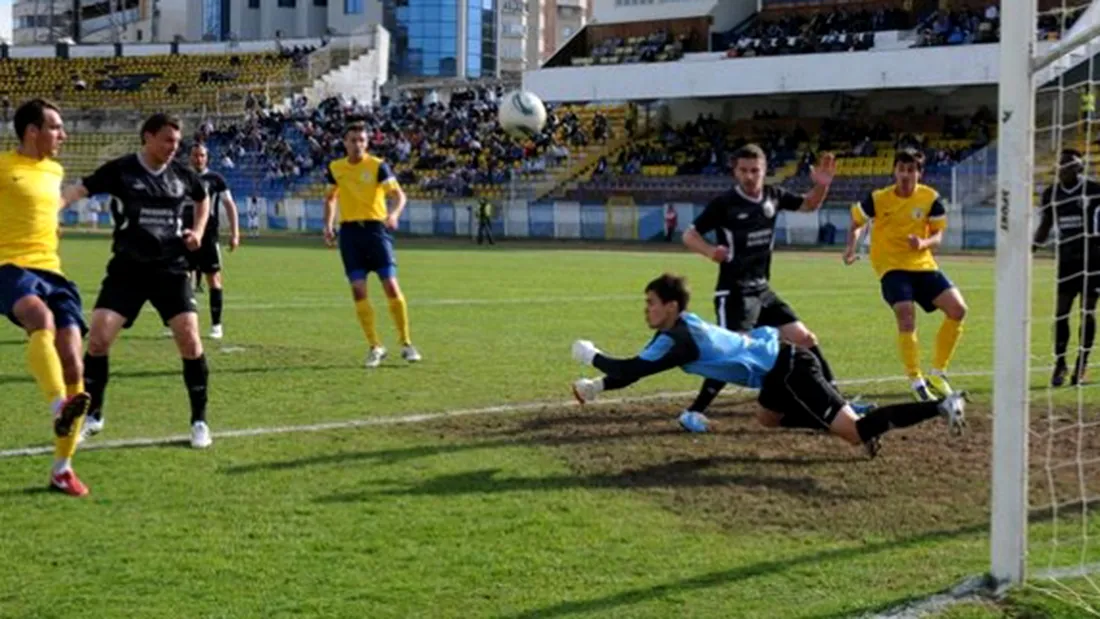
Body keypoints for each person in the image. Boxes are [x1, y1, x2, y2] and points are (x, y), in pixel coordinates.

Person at [570, 273, 967, 458]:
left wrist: (590, 354)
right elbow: (634, 368)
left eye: (651, 304)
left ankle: (940, 406)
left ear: (670, 308)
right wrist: (596, 388)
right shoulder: (676, 332)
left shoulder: (681, 341)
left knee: (856, 434)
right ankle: (840, 416)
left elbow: (631, 370)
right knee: (767, 417)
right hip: (777, 368)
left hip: (790, 366)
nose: (647, 310)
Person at [63, 113, 215, 449]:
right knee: (99, 337)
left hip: (171, 269)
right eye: (167, 140)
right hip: (128, 269)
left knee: (190, 340)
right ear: (147, 137)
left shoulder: (182, 174)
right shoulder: (121, 170)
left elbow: (202, 198)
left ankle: (199, 421)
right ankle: (94, 415)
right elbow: (82, 188)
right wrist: (54, 207)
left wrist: (199, 232)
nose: (173, 148)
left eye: (177, 142)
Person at [678, 143, 839, 432]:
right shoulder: (724, 204)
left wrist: (822, 187)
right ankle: (693, 412)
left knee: (804, 338)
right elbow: (689, 235)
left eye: (755, 171)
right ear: (735, 172)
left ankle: (838, 403)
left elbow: (809, 204)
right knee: (732, 353)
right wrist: (709, 251)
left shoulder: (773, 196)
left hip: (763, 290)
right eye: (744, 171)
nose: (750, 176)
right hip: (734, 291)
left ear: (765, 171)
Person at [0, 98, 91, 496]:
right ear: (32, 131)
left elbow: (46, 211)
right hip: (10, 267)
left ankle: (62, 468)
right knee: (40, 319)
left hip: (53, 271)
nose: (63, 135)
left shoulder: (55, 170)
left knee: (73, 360)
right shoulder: (3, 167)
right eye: (55, 127)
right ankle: (58, 407)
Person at [843, 148, 968, 401]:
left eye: (911, 170)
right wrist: (850, 248)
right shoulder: (878, 199)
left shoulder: (930, 198)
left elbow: (938, 235)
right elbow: (856, 222)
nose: (905, 175)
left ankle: (938, 373)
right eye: (901, 169)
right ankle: (916, 379)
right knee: (905, 313)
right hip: (891, 266)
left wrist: (923, 243)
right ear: (894, 171)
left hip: (922, 264)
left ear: (920, 173)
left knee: (958, 310)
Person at [323, 122, 421, 368]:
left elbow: (399, 195)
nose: (357, 144)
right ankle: (375, 346)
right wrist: (328, 225)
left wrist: (395, 214)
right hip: (350, 234)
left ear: (367, 143)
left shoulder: (378, 166)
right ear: (345, 143)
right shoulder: (335, 168)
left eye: (361, 140)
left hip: (376, 231)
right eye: (353, 140)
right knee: (358, 290)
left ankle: (406, 343)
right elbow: (330, 198)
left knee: (390, 285)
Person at [1034, 149, 1100, 386]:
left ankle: (1082, 364)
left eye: (1067, 165)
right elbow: (1045, 225)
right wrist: (1030, 248)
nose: (1061, 169)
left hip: (1093, 260)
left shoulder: (1094, 190)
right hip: (1067, 260)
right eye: (1059, 165)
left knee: (1087, 311)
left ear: (1078, 167)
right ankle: (1060, 364)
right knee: (1061, 312)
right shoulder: (1052, 193)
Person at [187, 143, 240, 340]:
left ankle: (216, 325)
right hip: (185, 234)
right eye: (195, 155)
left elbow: (229, 205)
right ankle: (183, 324)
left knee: (213, 280)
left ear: (207, 158)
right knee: (182, 280)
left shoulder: (216, 179)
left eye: (202, 155)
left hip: (208, 236)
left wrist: (235, 233)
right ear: (190, 157)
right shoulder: (182, 176)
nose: (198, 159)